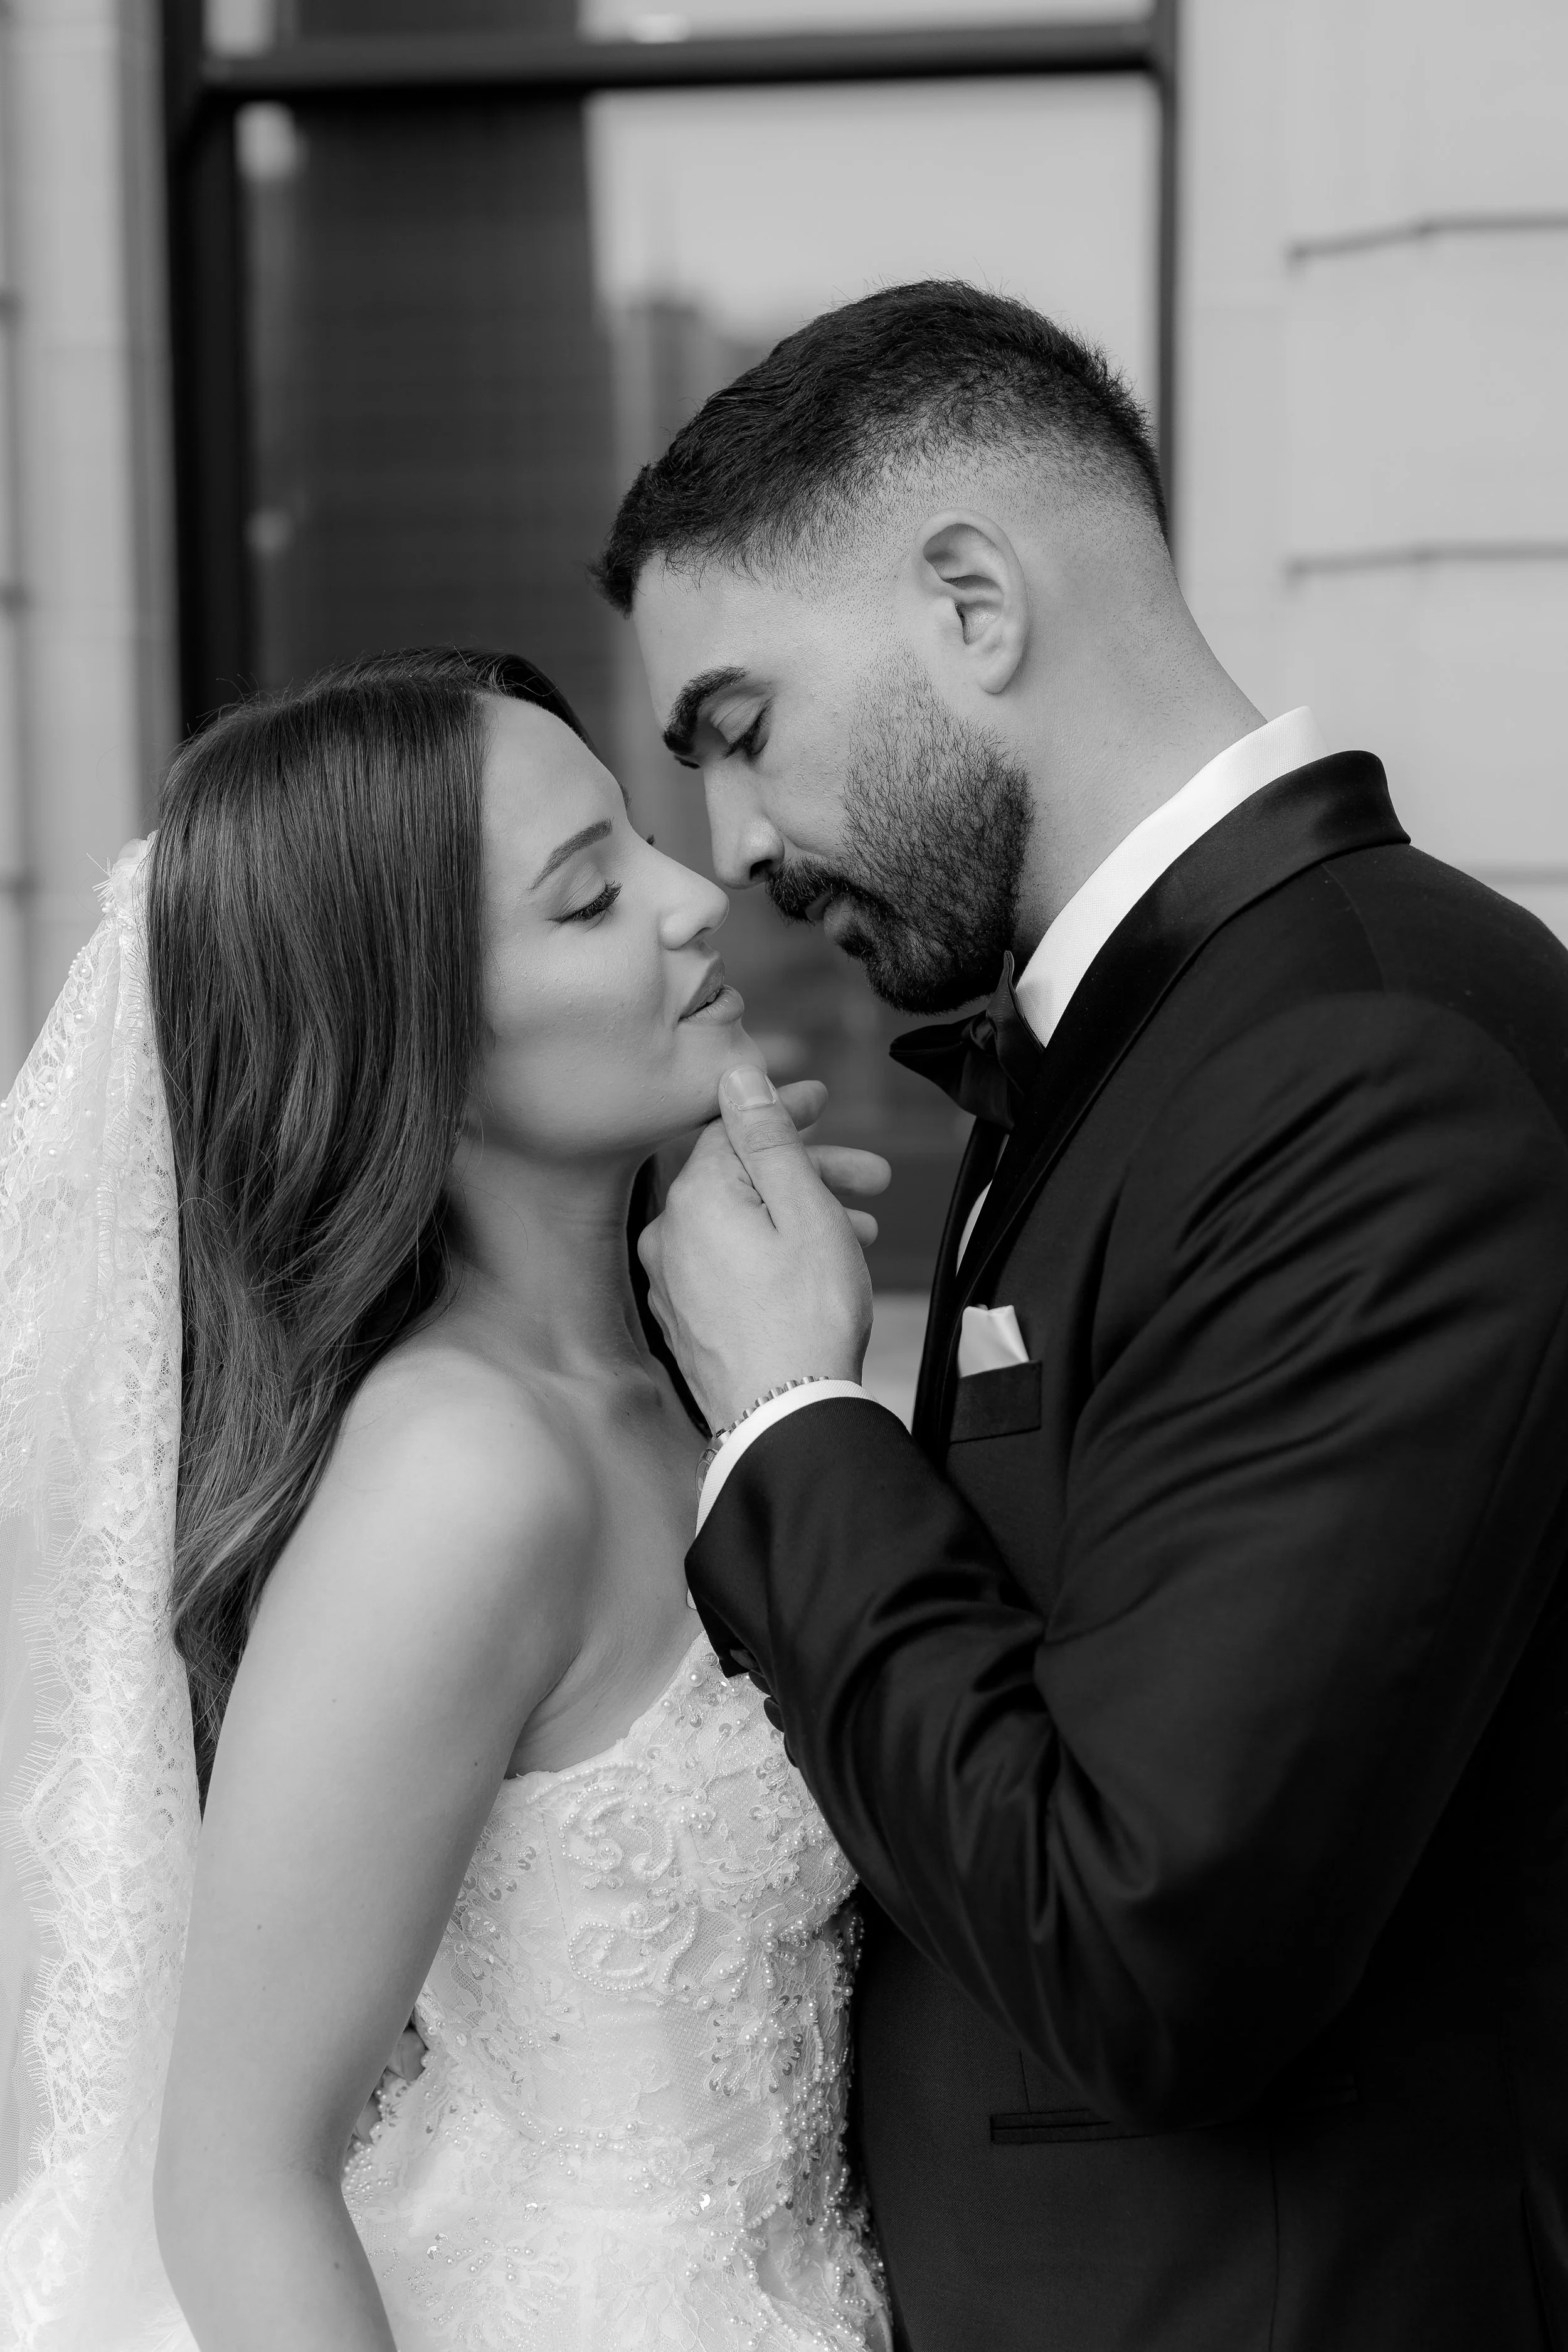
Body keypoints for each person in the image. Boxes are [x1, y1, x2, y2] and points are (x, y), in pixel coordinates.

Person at [598, 282, 1568, 2350]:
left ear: (969, 599)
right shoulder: (1156, 1042)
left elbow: (1144, 1945)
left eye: (740, 731)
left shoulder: (1365, 1066)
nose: (735, 857)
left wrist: (788, 1416)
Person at [0, 648, 890, 2351]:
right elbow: (237, 2178)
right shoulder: (463, 1477)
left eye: (637, 841)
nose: (697, 895)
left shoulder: (683, 1378)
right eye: (586, 898)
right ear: (421, 1044)